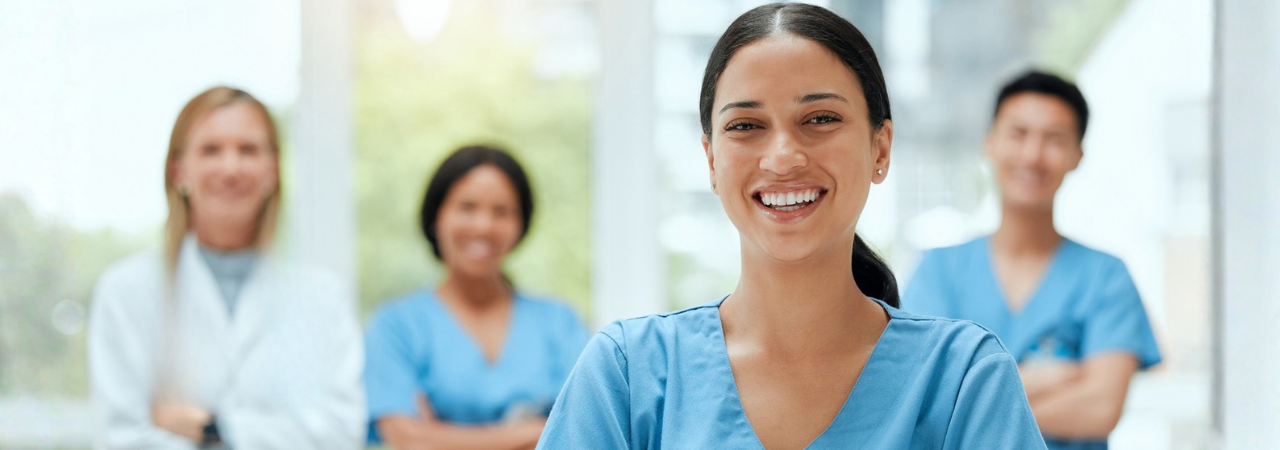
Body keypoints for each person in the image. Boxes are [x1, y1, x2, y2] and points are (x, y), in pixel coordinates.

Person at [537, 4, 1046, 449]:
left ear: (881, 148)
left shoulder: (963, 379)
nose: (782, 157)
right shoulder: (628, 376)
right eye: (746, 126)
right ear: (712, 162)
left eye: (820, 119)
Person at [87, 87, 365, 449]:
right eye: (210, 150)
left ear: (272, 171)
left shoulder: (323, 295)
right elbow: (120, 439)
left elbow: (343, 435)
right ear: (178, 171)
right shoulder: (127, 290)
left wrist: (214, 428)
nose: (230, 168)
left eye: (248, 150)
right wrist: (281, 433)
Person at [903, 71, 1161, 449]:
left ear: (1077, 156)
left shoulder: (1106, 276)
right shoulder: (938, 272)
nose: (1032, 155)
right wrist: (1050, 378)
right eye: (1018, 134)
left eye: (1054, 139)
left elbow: (1102, 407)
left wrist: (974, 402)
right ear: (989, 144)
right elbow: (923, 402)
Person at [363, 145, 589, 449]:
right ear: (436, 217)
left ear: (520, 225)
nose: (484, 226)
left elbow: (588, 428)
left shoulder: (560, 323)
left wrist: (440, 436)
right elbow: (406, 439)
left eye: (502, 211)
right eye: (467, 208)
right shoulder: (396, 326)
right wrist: (539, 429)